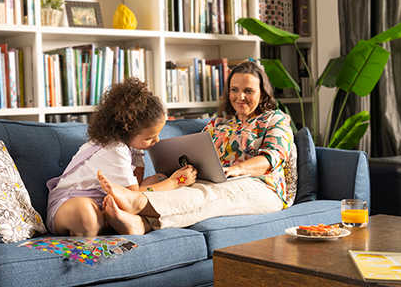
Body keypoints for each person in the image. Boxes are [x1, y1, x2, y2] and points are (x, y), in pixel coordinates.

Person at [99, 60, 297, 235]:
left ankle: (139, 202)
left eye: (248, 91)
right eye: (234, 90)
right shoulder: (218, 123)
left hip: (263, 187)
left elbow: (272, 157)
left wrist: (237, 169)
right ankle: (140, 225)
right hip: (215, 181)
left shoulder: (275, 119)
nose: (240, 97)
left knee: (214, 194)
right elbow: (199, 153)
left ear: (262, 93)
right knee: (177, 185)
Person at [46, 78, 198, 237]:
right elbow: (133, 196)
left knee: (157, 180)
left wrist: (161, 181)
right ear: (126, 131)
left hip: (107, 201)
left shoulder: (133, 148)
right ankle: (118, 221)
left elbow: (135, 188)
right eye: (149, 137)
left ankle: (118, 220)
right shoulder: (114, 148)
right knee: (87, 215)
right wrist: (175, 182)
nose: (157, 141)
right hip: (69, 204)